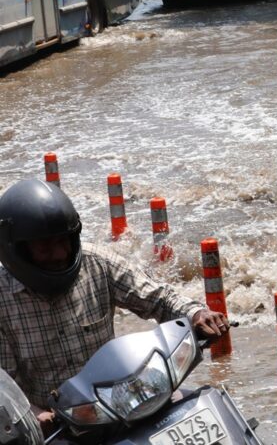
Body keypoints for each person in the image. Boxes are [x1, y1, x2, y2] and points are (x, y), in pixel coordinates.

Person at [0, 179, 229, 433]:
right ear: (17, 251)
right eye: (45, 248)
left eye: (63, 241)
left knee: (207, 412)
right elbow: (6, 388)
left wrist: (196, 313)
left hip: (123, 401)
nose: (59, 254)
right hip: (58, 427)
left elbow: (158, 297)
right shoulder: (2, 299)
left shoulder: (97, 263)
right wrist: (34, 414)